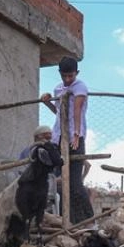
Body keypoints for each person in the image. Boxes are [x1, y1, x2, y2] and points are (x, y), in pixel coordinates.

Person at [40, 56, 94, 224]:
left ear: (76, 73)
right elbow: (59, 113)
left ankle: (89, 220)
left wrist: (76, 135)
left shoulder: (80, 87)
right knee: (61, 182)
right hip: (58, 137)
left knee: (75, 183)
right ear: (60, 74)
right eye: (65, 76)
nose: (68, 79)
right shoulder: (58, 89)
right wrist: (47, 102)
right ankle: (67, 219)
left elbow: (76, 111)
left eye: (71, 75)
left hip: (74, 137)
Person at [18, 125, 58, 214]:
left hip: (26, 187)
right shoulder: (44, 151)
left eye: (50, 134)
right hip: (40, 186)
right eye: (46, 135)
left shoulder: (26, 150)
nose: (49, 137)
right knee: (59, 195)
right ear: (38, 136)